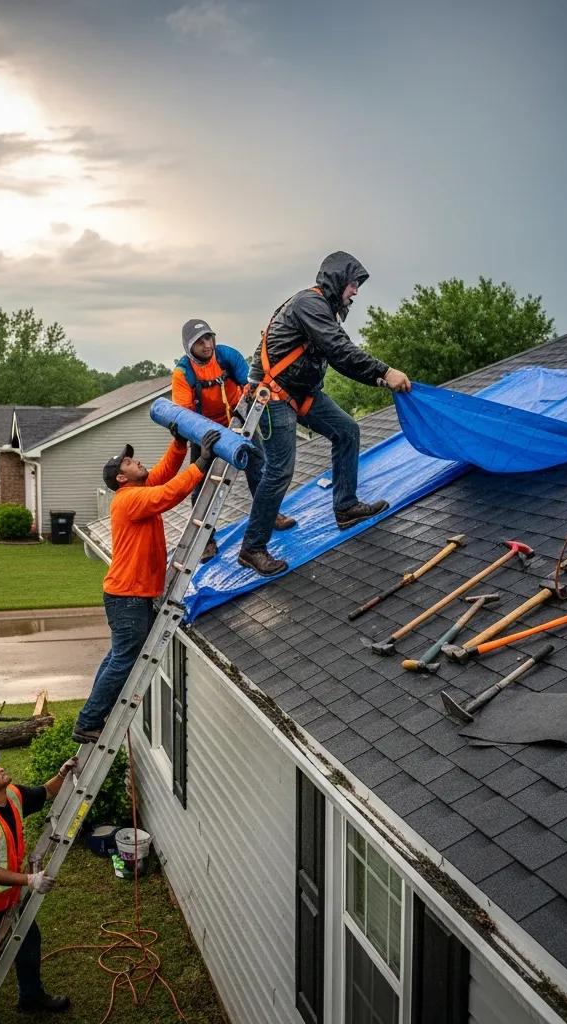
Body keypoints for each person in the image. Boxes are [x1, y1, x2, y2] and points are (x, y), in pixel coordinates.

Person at [238, 251, 412, 577]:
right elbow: (340, 350)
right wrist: (385, 371)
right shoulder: (309, 304)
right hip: (271, 395)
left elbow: (341, 355)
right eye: (353, 284)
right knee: (279, 470)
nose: (356, 291)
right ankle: (252, 548)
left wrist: (377, 377)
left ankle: (345, 507)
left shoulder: (326, 312)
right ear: (337, 280)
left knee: (347, 430)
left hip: (301, 393)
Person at [71, 427, 221, 743]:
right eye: (128, 462)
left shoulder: (136, 491)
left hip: (129, 594)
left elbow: (164, 475)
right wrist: (201, 464)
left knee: (118, 656)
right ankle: (88, 721)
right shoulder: (130, 500)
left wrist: (179, 444)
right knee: (124, 658)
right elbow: (169, 494)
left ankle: (92, 715)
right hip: (127, 596)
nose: (135, 461)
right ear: (122, 479)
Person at [0, 750, 77, 1015]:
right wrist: (29, 880)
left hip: (10, 895)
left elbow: (45, 792)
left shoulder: (12, 794)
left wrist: (62, 774)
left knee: (28, 940)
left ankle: (31, 999)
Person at [172, 317, 296, 562]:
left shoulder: (227, 356)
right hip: (204, 430)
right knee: (201, 484)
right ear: (189, 347)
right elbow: (184, 414)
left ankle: (270, 517)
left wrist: (251, 395)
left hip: (237, 422)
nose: (207, 345)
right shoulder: (183, 372)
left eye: (209, 338)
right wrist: (202, 438)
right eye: (200, 342)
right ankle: (206, 541)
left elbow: (249, 383)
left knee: (259, 470)